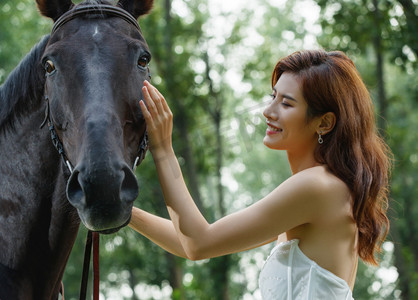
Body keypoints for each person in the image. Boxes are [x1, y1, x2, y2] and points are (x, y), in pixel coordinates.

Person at [130, 50, 392, 299]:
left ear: (323, 123)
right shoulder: (321, 190)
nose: (268, 111)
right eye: (273, 97)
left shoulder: (318, 186)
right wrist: (123, 211)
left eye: (286, 104)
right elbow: (187, 242)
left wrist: (163, 148)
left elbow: (199, 243)